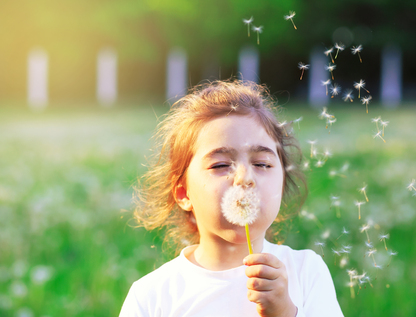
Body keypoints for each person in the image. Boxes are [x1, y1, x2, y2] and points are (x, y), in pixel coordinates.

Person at [119, 80, 344, 317]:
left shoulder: (305, 273)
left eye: (261, 163)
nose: (244, 177)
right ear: (184, 193)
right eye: (221, 165)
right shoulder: (152, 296)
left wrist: (286, 312)